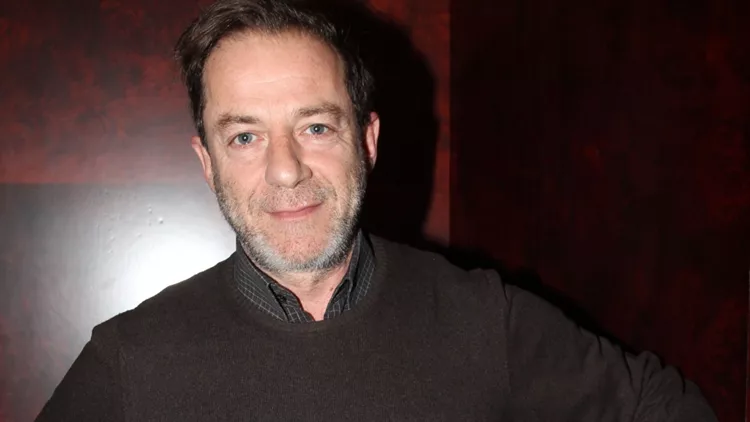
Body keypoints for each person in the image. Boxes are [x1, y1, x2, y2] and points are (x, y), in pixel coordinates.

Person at [36, 0, 717, 420]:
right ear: (207, 161)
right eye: (245, 136)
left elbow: (660, 407)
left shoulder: (483, 317)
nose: (285, 169)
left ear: (367, 140)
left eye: (315, 127)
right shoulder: (129, 362)